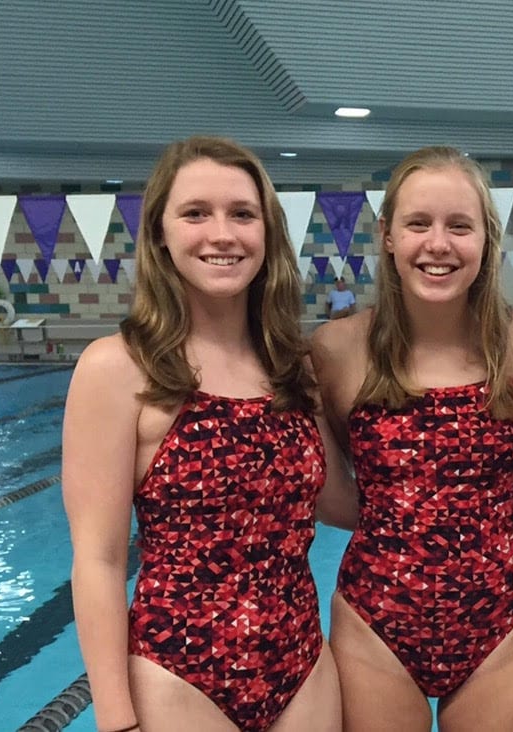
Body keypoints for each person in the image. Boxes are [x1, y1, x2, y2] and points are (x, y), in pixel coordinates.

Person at [62, 136, 352, 732]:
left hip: (302, 667)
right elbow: (99, 557)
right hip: (179, 674)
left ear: (266, 233)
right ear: (161, 234)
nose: (222, 234)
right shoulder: (118, 368)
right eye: (196, 213)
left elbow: (338, 503)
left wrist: (476, 504)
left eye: (242, 214)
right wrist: (115, 718)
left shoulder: (291, 367)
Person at [309, 145, 513, 731]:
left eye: (459, 226)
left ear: (486, 239)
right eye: (418, 223)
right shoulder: (337, 349)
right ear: (388, 235)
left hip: (502, 624)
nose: (438, 244)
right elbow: (330, 487)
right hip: (375, 622)